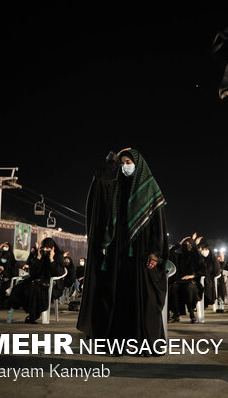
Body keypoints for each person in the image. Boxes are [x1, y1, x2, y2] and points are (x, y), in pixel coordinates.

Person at [76, 148, 170, 355]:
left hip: (143, 256)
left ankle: (144, 345)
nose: (125, 166)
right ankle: (116, 344)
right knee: (115, 298)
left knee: (143, 301)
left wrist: (156, 253)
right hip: (117, 255)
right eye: (122, 163)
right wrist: (110, 159)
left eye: (129, 161)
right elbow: (99, 183)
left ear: (139, 165)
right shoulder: (115, 188)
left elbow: (159, 226)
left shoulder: (150, 189)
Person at [9, 238, 66, 323]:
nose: (45, 250)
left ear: (52, 248)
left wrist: (51, 259)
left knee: (35, 290)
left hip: (52, 285)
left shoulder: (58, 256)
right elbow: (34, 273)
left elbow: (58, 273)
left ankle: (33, 316)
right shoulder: (40, 255)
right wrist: (38, 258)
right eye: (44, 248)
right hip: (37, 281)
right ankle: (29, 312)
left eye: (47, 248)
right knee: (19, 288)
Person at [168, 237, 205, 323]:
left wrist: (192, 276)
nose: (187, 245)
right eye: (185, 244)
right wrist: (179, 244)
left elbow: (203, 271)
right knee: (173, 288)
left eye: (189, 244)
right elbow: (170, 253)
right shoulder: (180, 256)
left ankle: (192, 314)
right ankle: (176, 314)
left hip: (193, 282)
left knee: (189, 289)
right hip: (180, 281)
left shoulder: (198, 258)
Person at [0, 241, 19, 309]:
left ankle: (1, 305)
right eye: (4, 246)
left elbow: (10, 266)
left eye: (6, 246)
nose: (4, 247)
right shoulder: (2, 253)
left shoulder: (10, 255)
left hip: (7, 277)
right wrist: (1, 245)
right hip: (0, 276)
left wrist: (4, 272)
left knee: (2, 290)